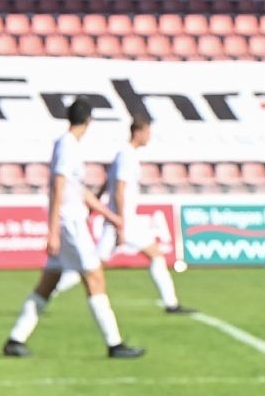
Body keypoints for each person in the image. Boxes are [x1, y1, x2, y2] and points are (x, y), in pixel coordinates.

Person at [2, 96, 144, 359]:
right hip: (69, 224)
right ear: (89, 120)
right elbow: (58, 187)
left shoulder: (69, 146)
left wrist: (109, 216)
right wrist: (53, 230)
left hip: (68, 221)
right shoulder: (67, 146)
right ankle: (114, 344)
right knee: (94, 276)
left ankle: (16, 338)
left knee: (49, 282)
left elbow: (78, 191)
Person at [55, 116, 190, 314]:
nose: (149, 136)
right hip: (122, 219)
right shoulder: (127, 156)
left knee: (151, 256)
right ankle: (50, 290)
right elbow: (118, 189)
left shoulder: (123, 154)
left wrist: (97, 206)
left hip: (122, 219)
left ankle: (171, 303)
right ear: (138, 132)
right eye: (148, 132)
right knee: (93, 265)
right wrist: (120, 224)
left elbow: (105, 184)